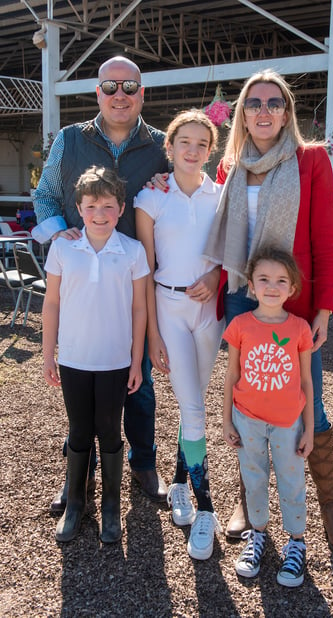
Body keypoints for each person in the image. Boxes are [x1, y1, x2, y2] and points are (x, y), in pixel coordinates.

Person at [204, 69, 333, 552]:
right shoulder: (231, 166)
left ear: (287, 112)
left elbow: (325, 241)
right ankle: (249, 501)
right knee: (249, 398)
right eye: (253, 103)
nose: (262, 111)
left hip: (294, 302)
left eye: (272, 102)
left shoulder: (310, 161)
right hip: (241, 296)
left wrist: (325, 307)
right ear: (242, 114)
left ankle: (328, 507)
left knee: (310, 401)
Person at [32, 56, 169, 507]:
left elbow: (180, 198)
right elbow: (47, 193)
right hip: (84, 280)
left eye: (129, 86)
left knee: (140, 380)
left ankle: (144, 464)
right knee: (82, 384)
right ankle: (80, 473)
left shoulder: (160, 146)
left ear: (142, 93)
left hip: (135, 281)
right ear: (97, 93)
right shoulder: (71, 140)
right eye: (110, 87)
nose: (120, 95)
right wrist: (59, 234)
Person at [42, 166, 149, 543]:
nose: (99, 215)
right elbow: (52, 302)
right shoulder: (63, 247)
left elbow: (139, 309)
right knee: (79, 430)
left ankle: (110, 507)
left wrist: (137, 361)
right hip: (73, 358)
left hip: (115, 362)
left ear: (121, 208)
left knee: (110, 430)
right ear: (78, 208)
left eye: (107, 206)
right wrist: (46, 353)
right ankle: (75, 503)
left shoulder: (132, 251)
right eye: (91, 207)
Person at [134, 110, 223, 560]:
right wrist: (152, 336)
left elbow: (231, 251)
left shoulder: (220, 196)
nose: (192, 150)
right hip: (168, 307)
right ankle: (206, 508)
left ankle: (177, 483)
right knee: (192, 407)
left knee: (195, 404)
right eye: (183, 141)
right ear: (169, 147)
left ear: (211, 150)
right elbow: (146, 272)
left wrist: (215, 276)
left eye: (201, 144)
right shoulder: (150, 198)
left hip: (210, 313)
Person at [223, 246, 313, 585]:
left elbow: (305, 380)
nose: (271, 286)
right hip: (247, 418)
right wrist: (226, 419)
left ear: (292, 288)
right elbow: (231, 375)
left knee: (292, 482)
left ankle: (296, 542)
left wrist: (308, 428)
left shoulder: (300, 329)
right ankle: (257, 534)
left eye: (280, 280)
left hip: (288, 421)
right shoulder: (240, 324)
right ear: (251, 283)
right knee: (254, 478)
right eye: (263, 279)